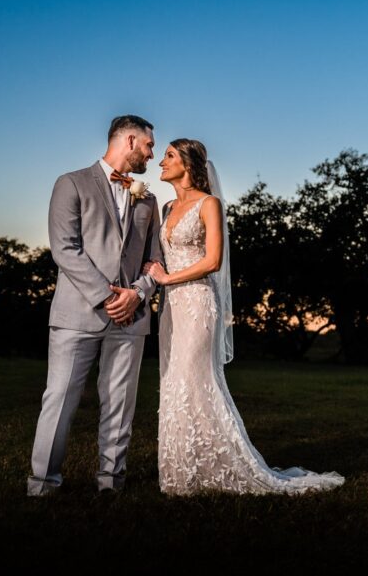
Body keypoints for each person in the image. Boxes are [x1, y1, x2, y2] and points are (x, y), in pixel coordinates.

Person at [145, 138, 344, 495]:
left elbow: (212, 261)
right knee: (174, 382)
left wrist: (167, 279)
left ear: (188, 164)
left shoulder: (210, 204)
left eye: (169, 155)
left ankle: (226, 466)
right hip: (171, 309)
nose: (161, 161)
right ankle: (182, 473)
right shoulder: (167, 207)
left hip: (198, 305)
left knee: (196, 380)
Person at [27, 115, 162, 496]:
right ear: (130, 140)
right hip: (77, 315)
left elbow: (156, 260)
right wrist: (107, 296)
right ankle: (42, 484)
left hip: (131, 316)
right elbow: (65, 249)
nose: (152, 155)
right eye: (150, 146)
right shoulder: (71, 183)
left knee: (120, 405)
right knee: (60, 401)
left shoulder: (147, 199)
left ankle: (111, 483)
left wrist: (137, 292)